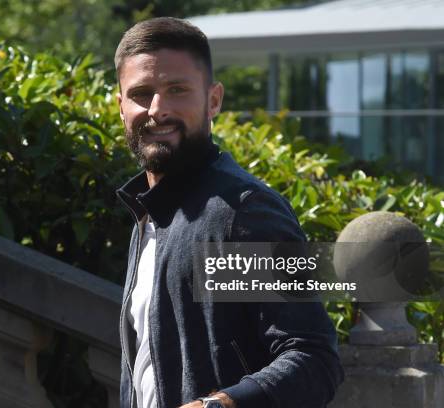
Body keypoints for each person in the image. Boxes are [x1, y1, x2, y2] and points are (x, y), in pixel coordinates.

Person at [114, 17, 344, 408]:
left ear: (214, 100)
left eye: (177, 90)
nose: (157, 109)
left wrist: (219, 405)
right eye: (141, 93)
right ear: (121, 107)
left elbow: (313, 359)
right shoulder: (150, 213)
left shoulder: (240, 213)